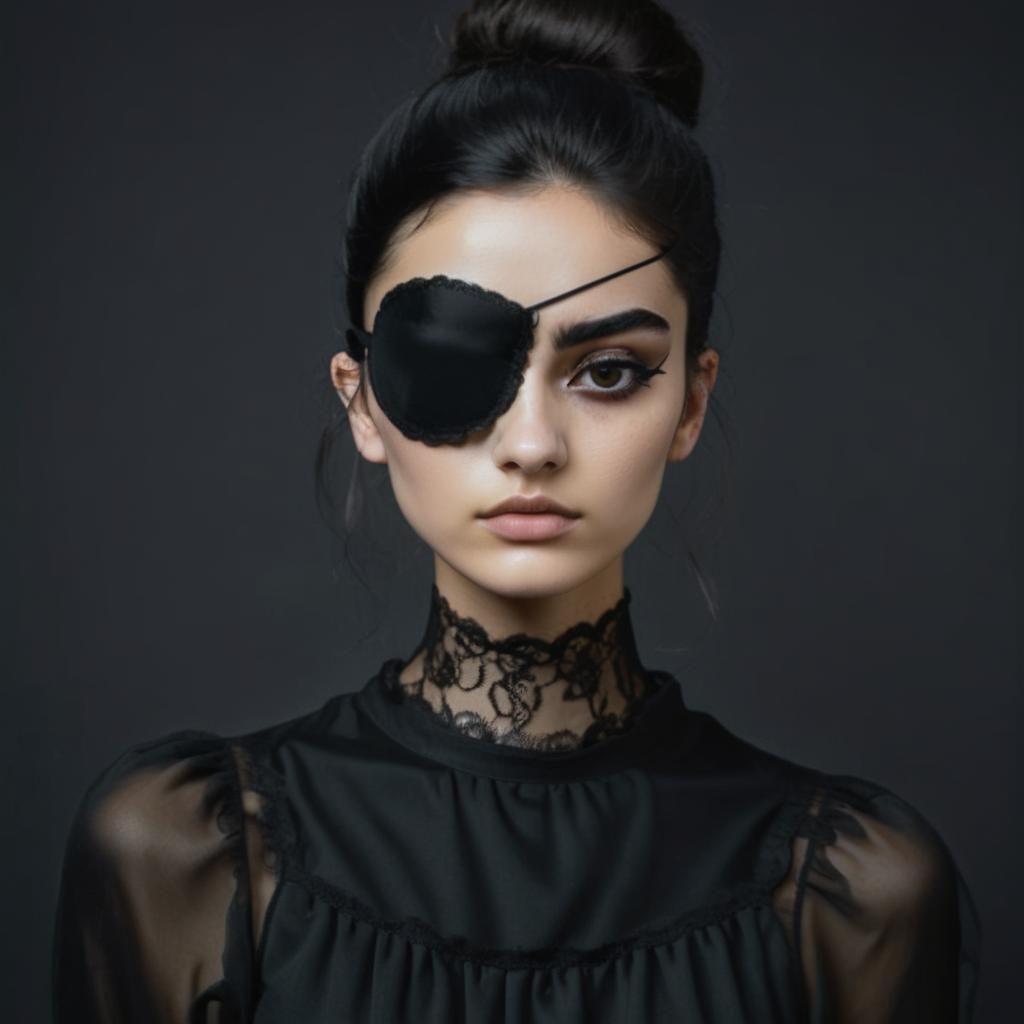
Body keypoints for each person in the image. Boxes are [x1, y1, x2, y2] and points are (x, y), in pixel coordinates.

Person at [50, 0, 982, 1021]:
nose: (532, 442)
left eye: (610, 371)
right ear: (359, 397)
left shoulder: (849, 897)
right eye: (455, 361)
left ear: (692, 401)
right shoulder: (187, 858)